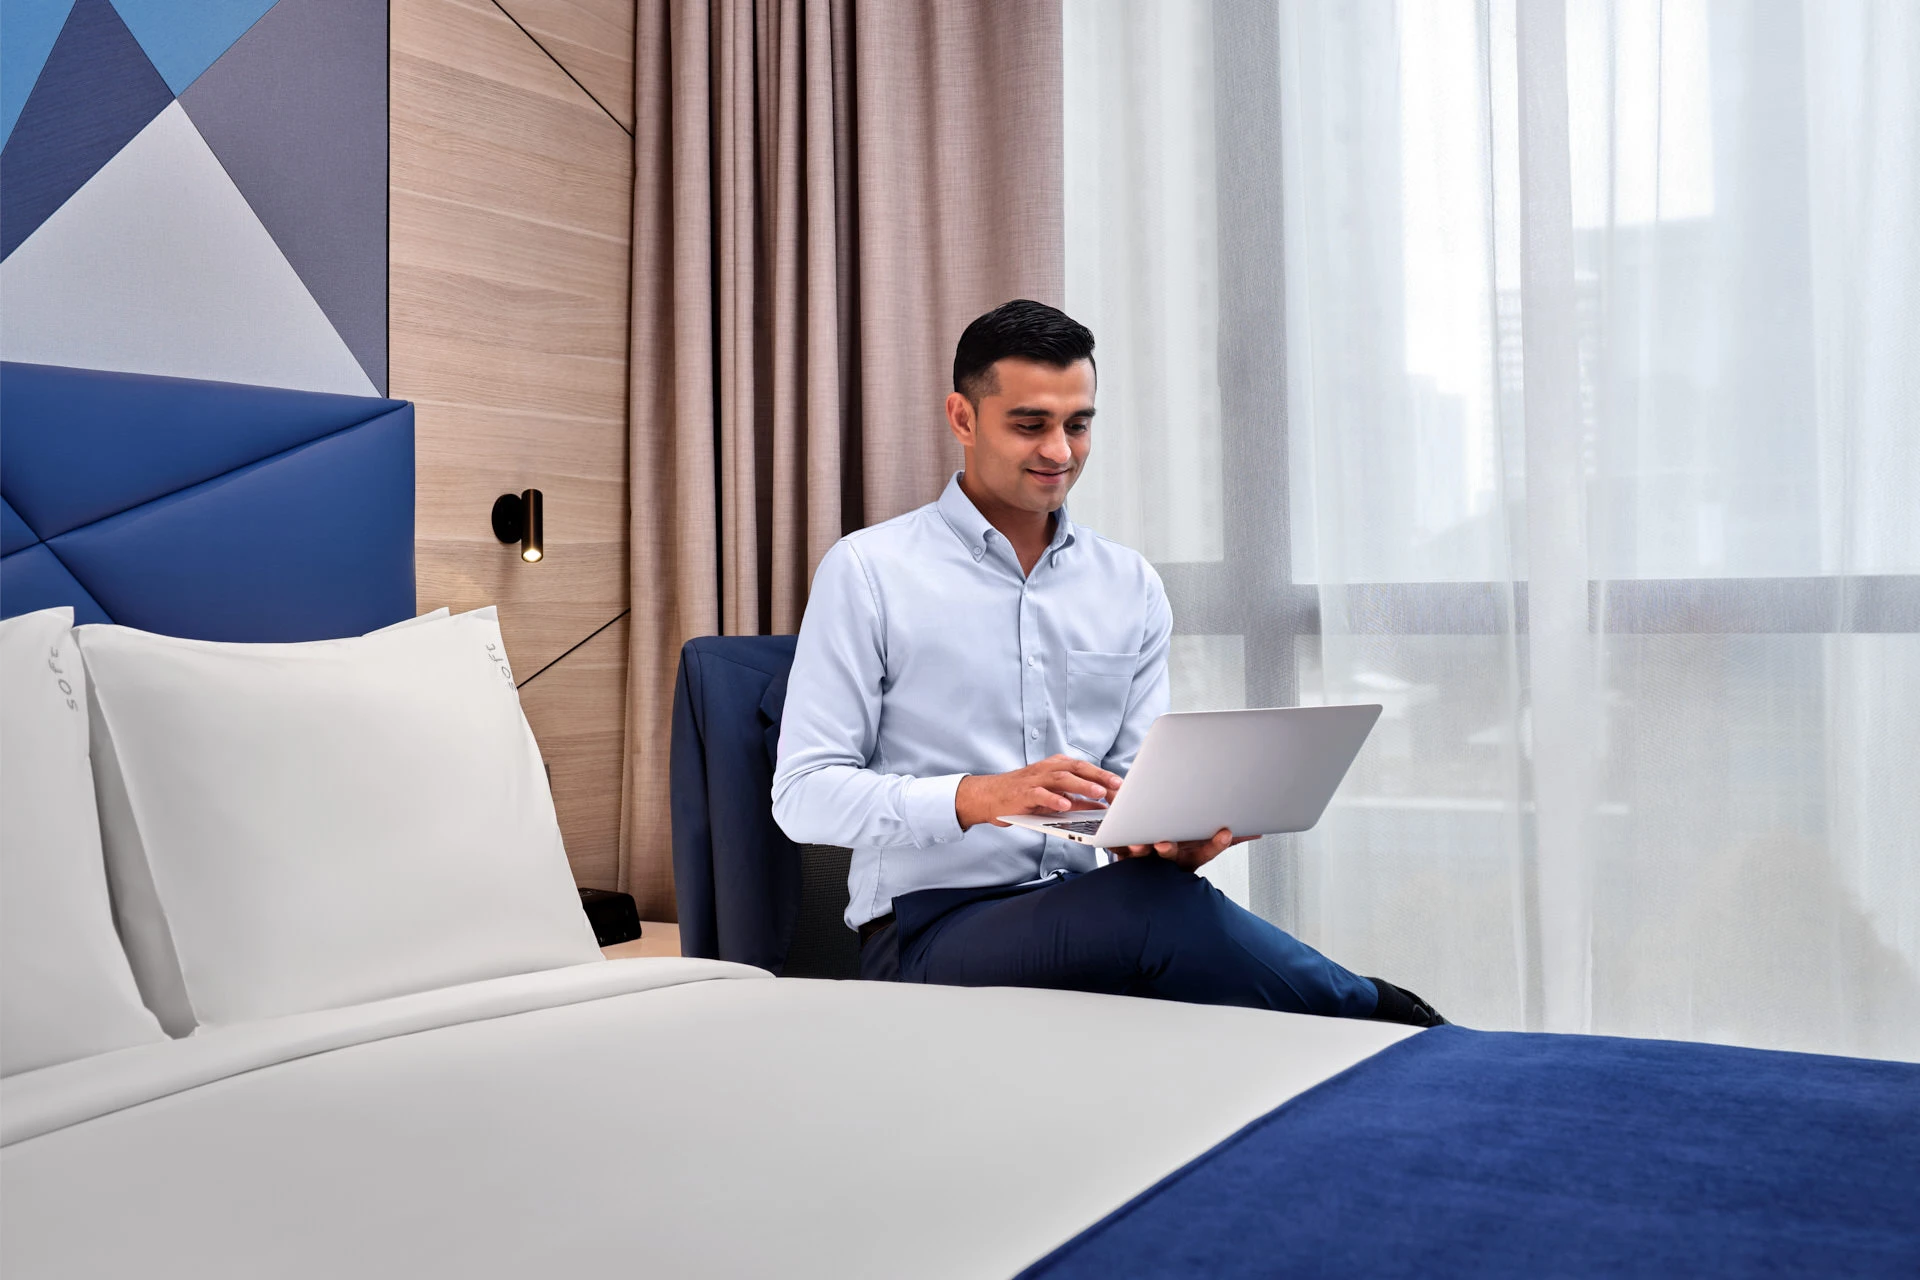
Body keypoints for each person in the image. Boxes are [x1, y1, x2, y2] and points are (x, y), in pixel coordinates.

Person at [771, 299, 1444, 1026]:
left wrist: (1166, 836)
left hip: (1095, 908)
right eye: (1030, 424)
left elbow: (1127, 790)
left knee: (1161, 906)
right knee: (1156, 915)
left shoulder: (1129, 585)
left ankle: (1363, 1057)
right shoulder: (869, 571)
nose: (1059, 451)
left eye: (1078, 424)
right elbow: (802, 796)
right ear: (963, 419)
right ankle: (1389, 1016)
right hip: (926, 930)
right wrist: (980, 796)